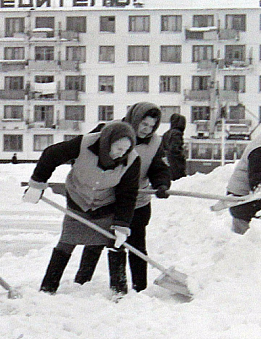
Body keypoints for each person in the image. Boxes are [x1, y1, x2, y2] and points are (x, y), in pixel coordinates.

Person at [22, 121, 140, 296]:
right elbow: (50, 155)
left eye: (125, 150)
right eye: (118, 148)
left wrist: (122, 224)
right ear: (107, 142)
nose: (120, 154)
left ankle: (119, 293)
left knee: (115, 243)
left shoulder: (132, 161)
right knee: (66, 242)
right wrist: (37, 184)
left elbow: (128, 195)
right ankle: (47, 289)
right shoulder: (84, 144)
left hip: (106, 205)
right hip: (78, 200)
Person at [74, 103, 171, 293]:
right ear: (134, 119)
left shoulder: (155, 143)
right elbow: (84, 153)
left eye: (152, 126)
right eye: (144, 124)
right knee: (96, 241)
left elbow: (159, 167)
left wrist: (162, 184)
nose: (147, 130)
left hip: (137, 201)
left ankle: (139, 289)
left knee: (137, 246)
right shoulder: (108, 130)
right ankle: (82, 283)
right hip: (106, 199)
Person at [162, 113, 187, 181]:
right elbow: (175, 149)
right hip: (175, 163)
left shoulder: (166, 133)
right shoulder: (177, 133)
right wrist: (181, 156)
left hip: (167, 162)